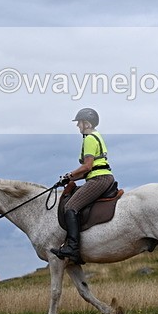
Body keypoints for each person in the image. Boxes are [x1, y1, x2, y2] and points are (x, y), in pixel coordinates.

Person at [50, 107, 115, 265]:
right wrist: (68, 179)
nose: (77, 125)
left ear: (86, 123)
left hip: (99, 179)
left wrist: (69, 175)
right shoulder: (94, 137)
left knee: (70, 207)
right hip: (99, 177)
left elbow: (87, 166)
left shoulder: (90, 139)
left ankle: (73, 247)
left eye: (79, 122)